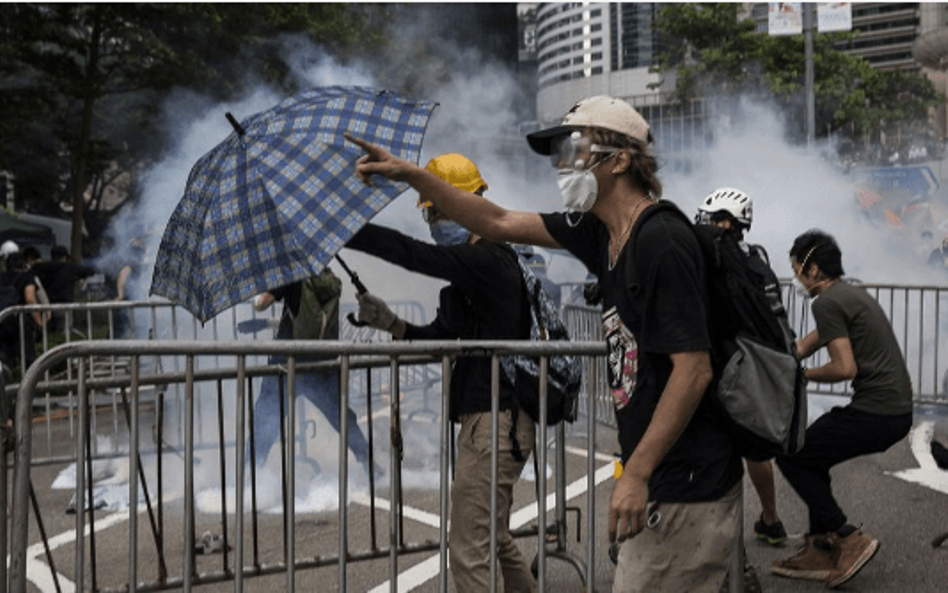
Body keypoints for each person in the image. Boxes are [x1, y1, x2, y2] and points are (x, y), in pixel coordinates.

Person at [347, 95, 743, 592]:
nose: (563, 164)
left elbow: (694, 370)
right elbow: (495, 220)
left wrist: (637, 473)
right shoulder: (598, 233)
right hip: (661, 474)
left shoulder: (661, 239)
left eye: (574, 149)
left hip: (688, 480)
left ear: (619, 159)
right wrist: (409, 174)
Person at [347, 153, 538, 593]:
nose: (432, 220)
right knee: (495, 537)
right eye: (429, 212)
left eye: (434, 208)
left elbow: (412, 254)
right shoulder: (472, 274)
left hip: (496, 422)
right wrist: (392, 323)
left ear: (462, 203)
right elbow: (442, 333)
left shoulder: (487, 259)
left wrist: (346, 232)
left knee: (469, 550)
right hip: (493, 422)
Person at [772, 230, 913, 588]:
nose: (797, 279)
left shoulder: (827, 301)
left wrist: (800, 375)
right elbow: (811, 341)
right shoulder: (848, 293)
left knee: (793, 455)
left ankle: (847, 537)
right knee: (811, 455)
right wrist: (783, 359)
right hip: (893, 409)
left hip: (877, 412)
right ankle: (819, 548)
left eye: (797, 270)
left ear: (814, 269)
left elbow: (844, 368)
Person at [694, 187, 789, 548]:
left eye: (710, 218)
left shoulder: (722, 261)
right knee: (754, 447)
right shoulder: (758, 261)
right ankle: (771, 519)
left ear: (727, 222)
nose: (704, 225)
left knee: (721, 447)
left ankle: (725, 544)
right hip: (758, 365)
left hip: (729, 365)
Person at [245, 268, 374, 481]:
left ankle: (249, 477)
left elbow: (261, 304)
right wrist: (269, 322)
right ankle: (369, 463)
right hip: (321, 359)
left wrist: (262, 289)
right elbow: (309, 317)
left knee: (266, 419)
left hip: (288, 361)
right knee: (340, 415)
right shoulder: (327, 278)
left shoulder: (289, 274)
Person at [29, 245, 96, 332]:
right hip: (65, 305)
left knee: (47, 333)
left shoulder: (41, 267)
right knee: (64, 333)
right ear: (65, 257)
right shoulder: (69, 267)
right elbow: (89, 271)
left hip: (46, 305)